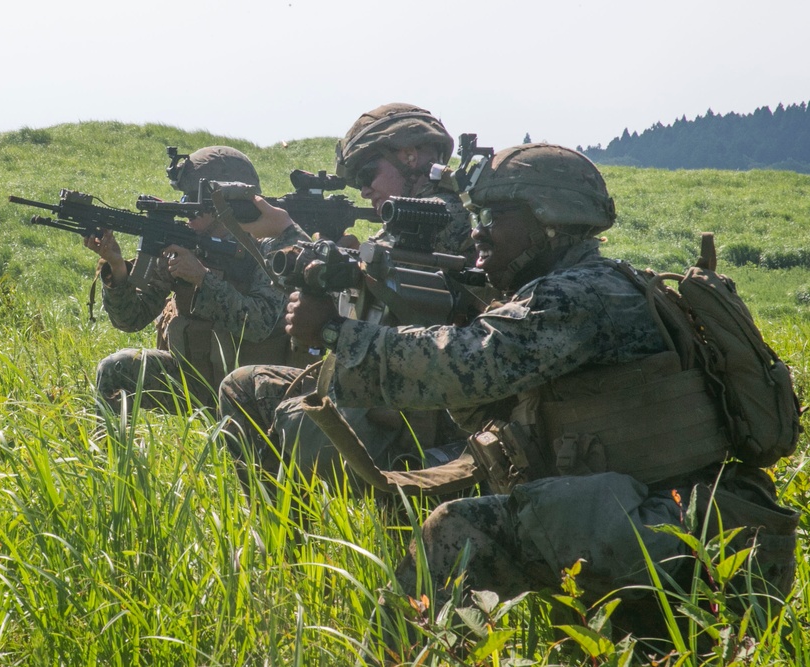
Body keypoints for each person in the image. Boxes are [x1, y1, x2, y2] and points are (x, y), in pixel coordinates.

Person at [283, 143, 798, 644]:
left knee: (463, 530)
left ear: (549, 220)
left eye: (497, 216)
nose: (479, 233)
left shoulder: (578, 293)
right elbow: (487, 408)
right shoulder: (601, 283)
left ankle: (398, 655)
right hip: (686, 524)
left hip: (683, 531)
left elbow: (470, 364)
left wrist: (336, 334)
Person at [218, 103, 492, 492]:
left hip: (429, 406)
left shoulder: (440, 217)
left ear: (410, 156)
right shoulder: (412, 220)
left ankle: (298, 532)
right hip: (384, 384)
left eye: (368, 173)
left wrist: (287, 233)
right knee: (244, 386)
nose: (364, 189)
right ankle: (281, 529)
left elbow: (361, 276)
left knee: (299, 423)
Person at [87, 146, 312, 416]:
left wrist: (202, 279)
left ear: (231, 202)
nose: (187, 209)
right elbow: (131, 319)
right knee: (116, 369)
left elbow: (260, 324)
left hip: (252, 390)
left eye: (198, 201)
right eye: (185, 198)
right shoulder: (187, 244)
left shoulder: (271, 249)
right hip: (193, 379)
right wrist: (117, 268)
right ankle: (108, 456)